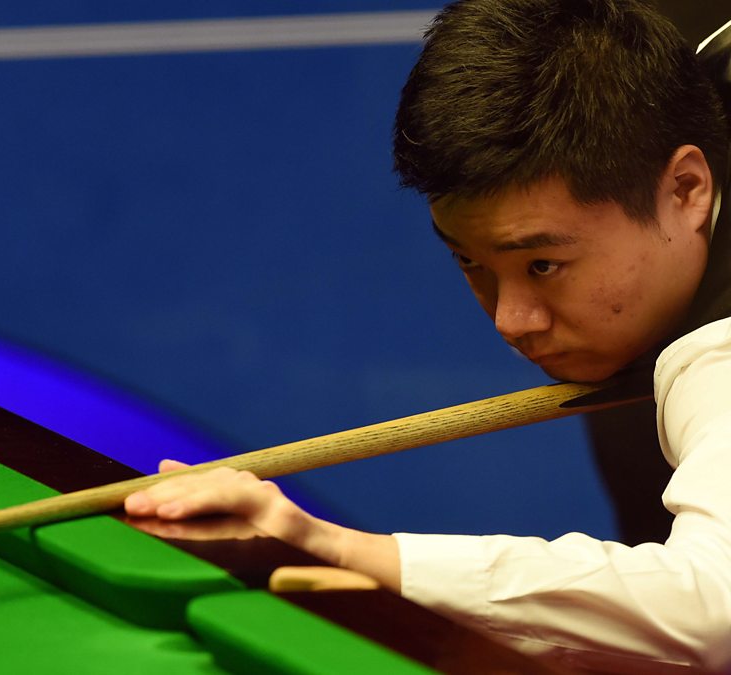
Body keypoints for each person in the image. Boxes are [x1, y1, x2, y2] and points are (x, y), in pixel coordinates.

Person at [124, 0, 731, 670]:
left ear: (686, 189)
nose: (511, 320)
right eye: (470, 262)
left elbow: (714, 607)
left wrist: (340, 550)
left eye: (542, 265)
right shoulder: (641, 45)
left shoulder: (718, 357)